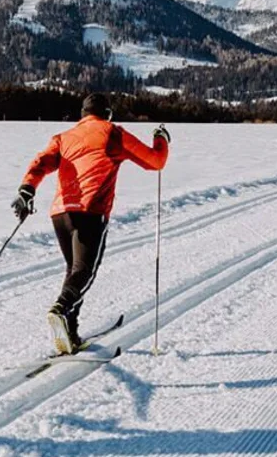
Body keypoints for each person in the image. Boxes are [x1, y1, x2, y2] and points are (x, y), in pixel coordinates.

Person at [11, 93, 169, 355]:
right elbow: (155, 162)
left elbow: (41, 163)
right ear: (107, 114)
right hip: (90, 211)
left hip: (60, 215)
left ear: (83, 115)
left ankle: (69, 331)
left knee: (74, 271)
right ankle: (61, 309)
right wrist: (160, 139)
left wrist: (27, 188)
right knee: (85, 271)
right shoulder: (112, 133)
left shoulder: (63, 138)